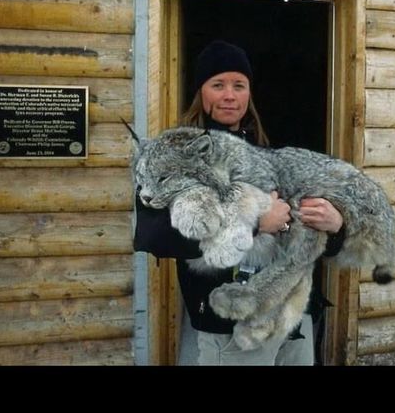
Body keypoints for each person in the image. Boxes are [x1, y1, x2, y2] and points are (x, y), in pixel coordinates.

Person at [134, 40, 345, 366]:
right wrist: (256, 223)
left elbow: (296, 228)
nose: (229, 95)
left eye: (239, 85)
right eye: (218, 85)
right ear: (201, 93)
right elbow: (155, 236)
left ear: (249, 93)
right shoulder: (172, 158)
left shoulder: (267, 154)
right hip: (232, 326)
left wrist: (335, 225)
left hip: (293, 318)